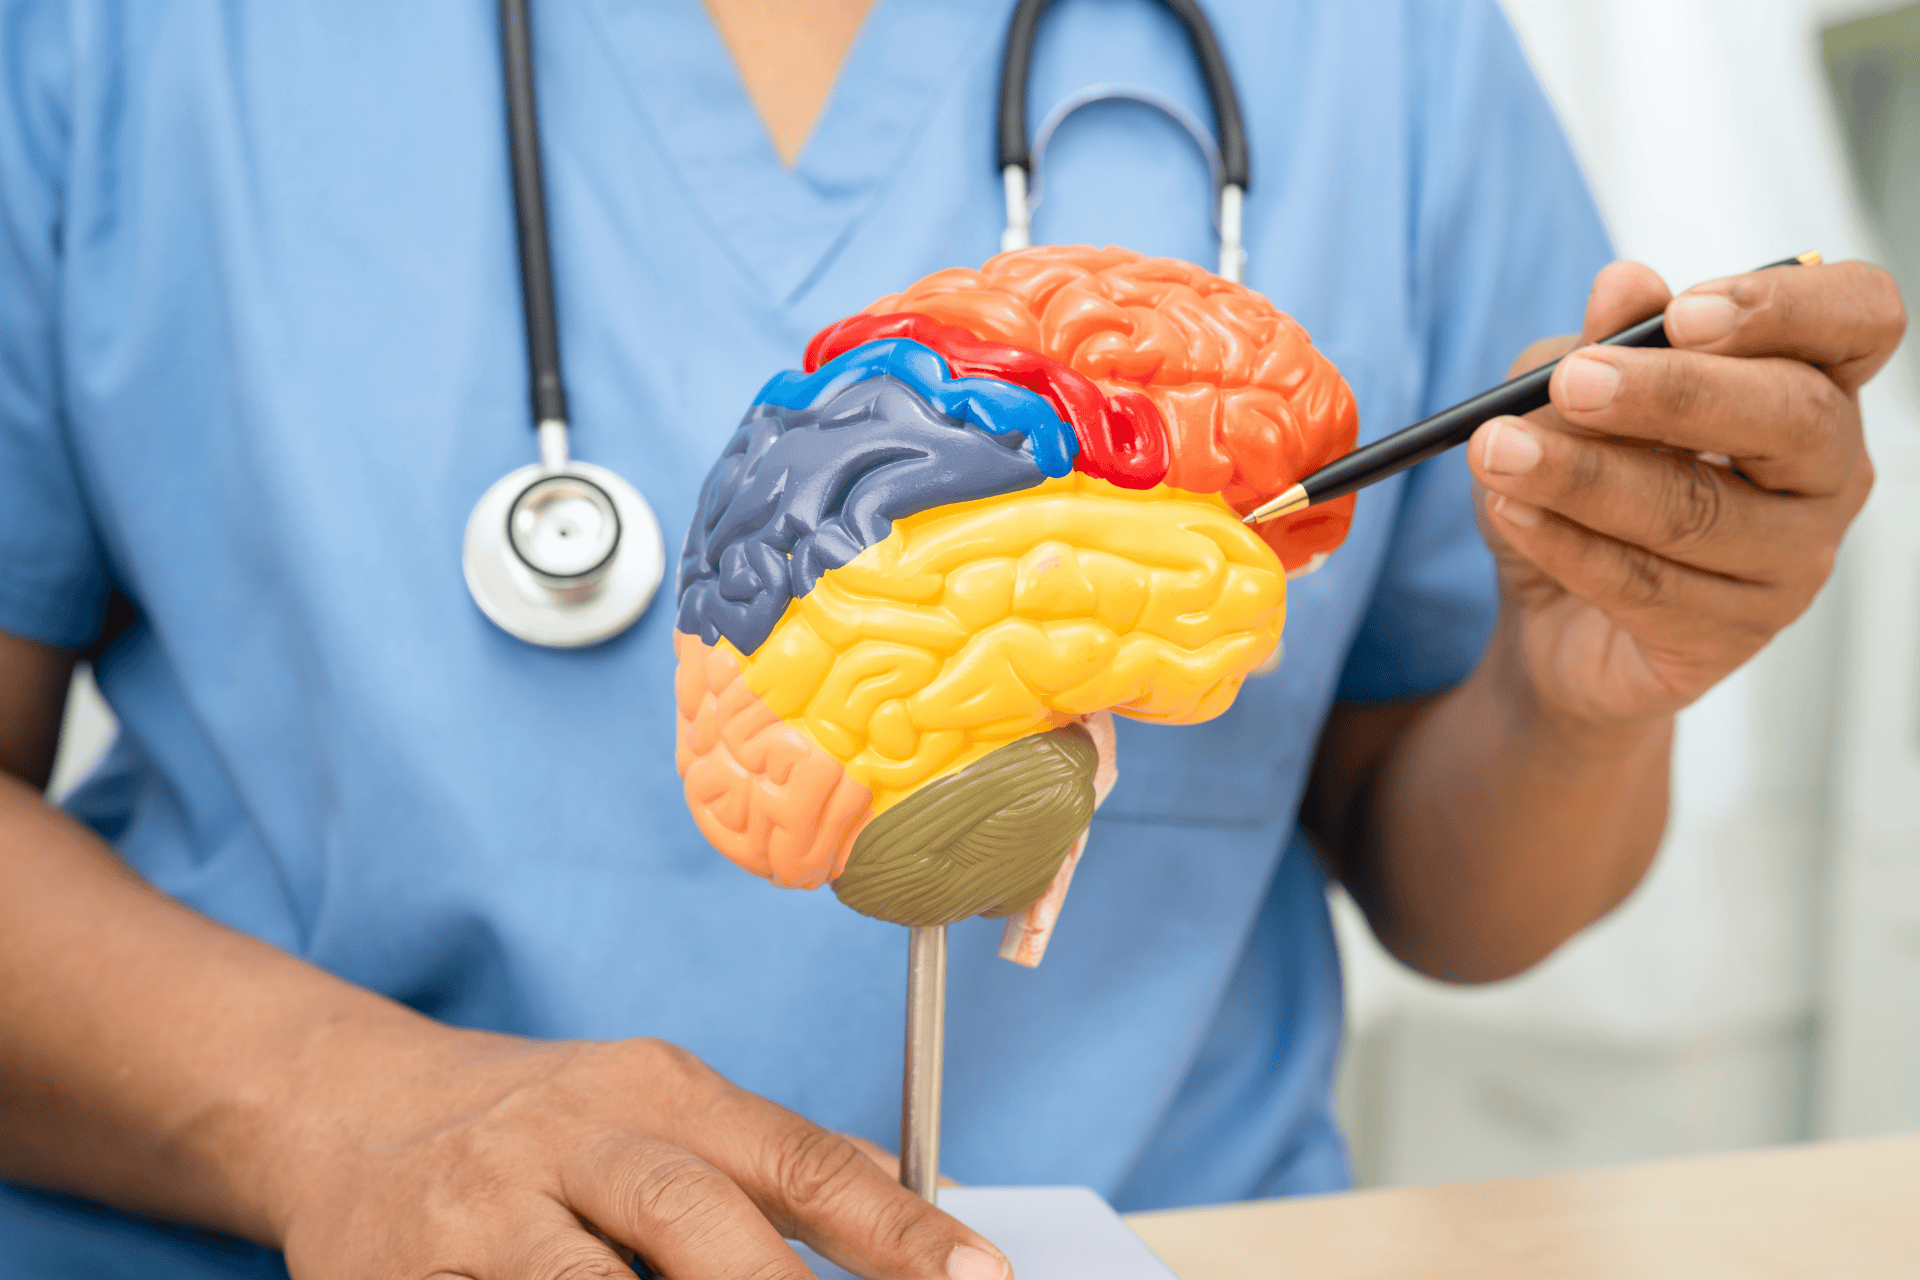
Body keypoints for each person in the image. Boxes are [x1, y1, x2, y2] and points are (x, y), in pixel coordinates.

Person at [0, 1, 1902, 1277]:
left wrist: (1580, 698)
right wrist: (331, 1106)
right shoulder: (112, 37)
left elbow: (1459, 895)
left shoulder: (1372, 38)